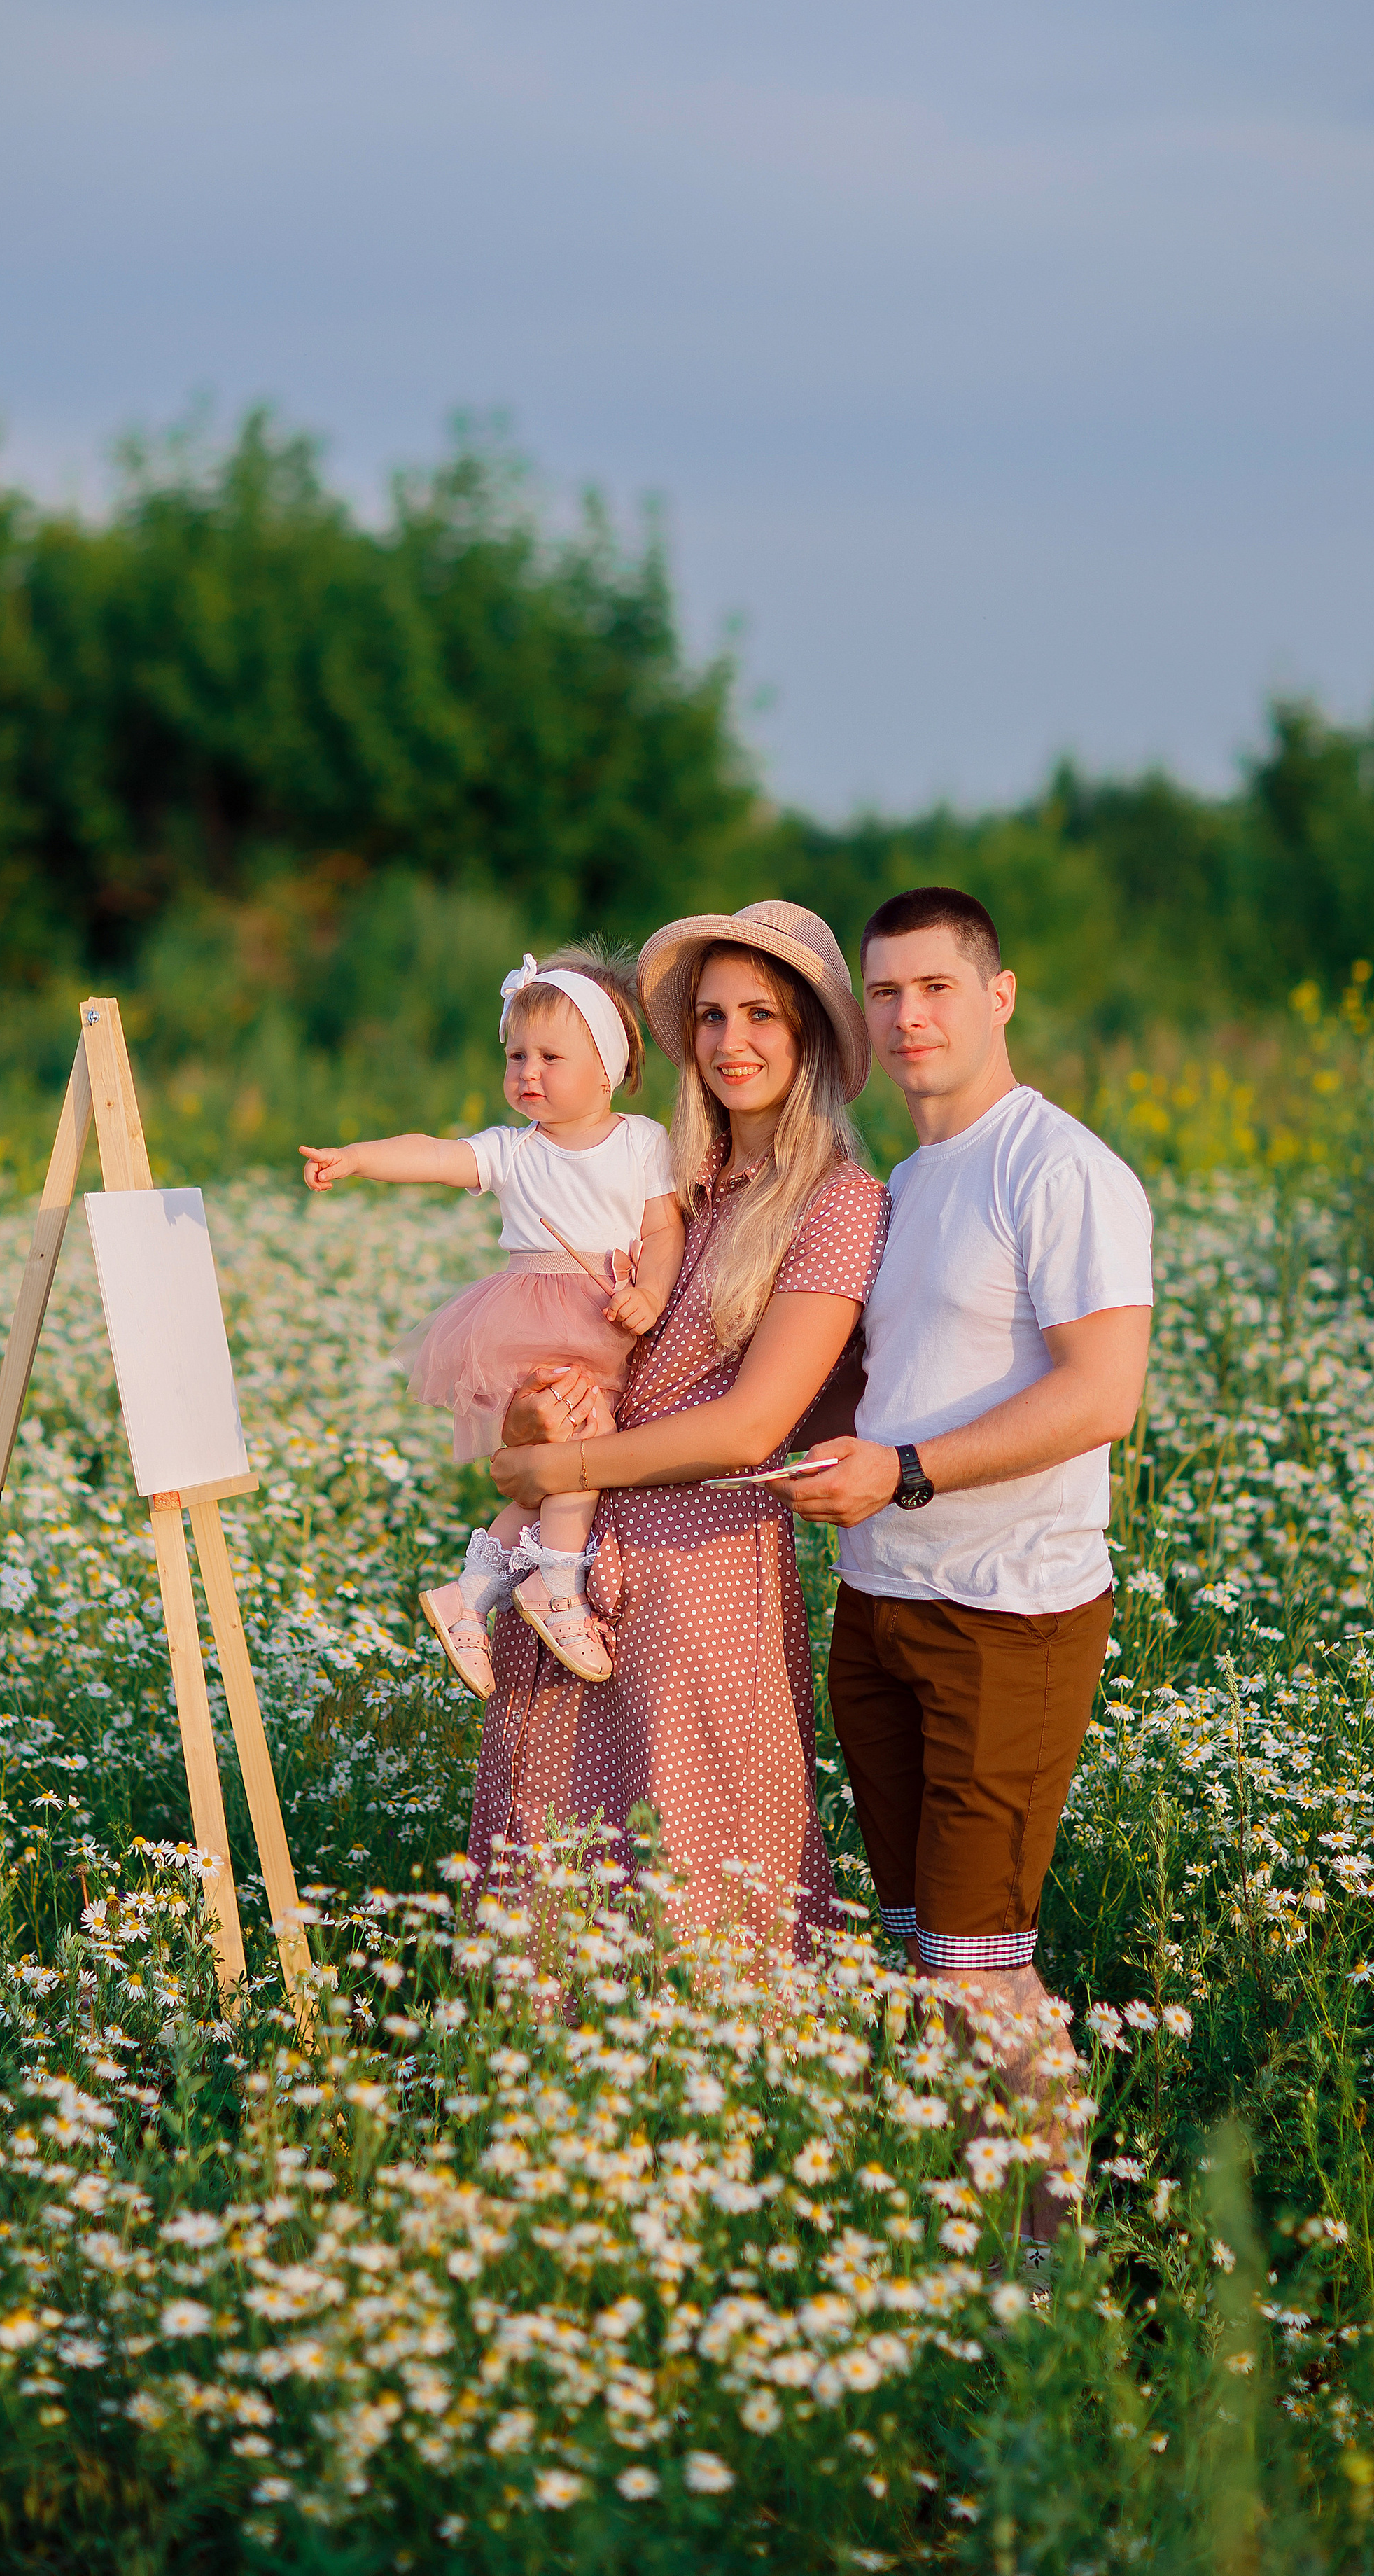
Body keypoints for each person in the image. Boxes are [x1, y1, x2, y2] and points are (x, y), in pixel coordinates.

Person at [780, 885, 1153, 2232]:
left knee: (982, 1966)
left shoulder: (1059, 1170)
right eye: (884, 992)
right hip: (878, 1603)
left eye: (936, 987)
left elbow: (1103, 1396)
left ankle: (1052, 2260)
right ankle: (972, 2223)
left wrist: (906, 1472)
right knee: (924, 1955)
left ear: (999, 997)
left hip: (1008, 1614)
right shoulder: (907, 1182)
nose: (908, 1016)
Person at [479, 901, 889, 1954]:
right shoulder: (660, 1177)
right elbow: (560, 1362)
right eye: (710, 1016)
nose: (729, 1041)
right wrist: (532, 1419)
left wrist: (554, 1463)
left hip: (701, 1576)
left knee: (698, 1881)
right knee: (556, 1879)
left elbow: (750, 1429)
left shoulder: (836, 1203)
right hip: (574, 1563)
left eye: (761, 1015)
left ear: (810, 1037)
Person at [300, 943, 685, 1695]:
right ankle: (556, 1589)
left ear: (606, 1068)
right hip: (536, 1321)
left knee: (550, 1477)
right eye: (515, 1057)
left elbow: (664, 1229)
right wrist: (360, 1158)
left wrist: (653, 1292)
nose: (527, 1073)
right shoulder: (514, 1151)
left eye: (550, 1057)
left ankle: (469, 1596)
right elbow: (435, 1154)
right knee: (581, 1447)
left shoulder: (642, 1140)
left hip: (608, 1313)